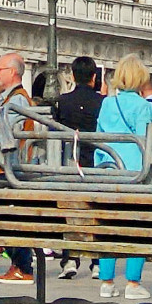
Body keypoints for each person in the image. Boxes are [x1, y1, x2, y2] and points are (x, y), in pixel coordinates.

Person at [95, 56, 152, 301]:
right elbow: (146, 141)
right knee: (134, 226)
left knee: (108, 226)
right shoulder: (143, 107)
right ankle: (132, 282)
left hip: (108, 169)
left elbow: (98, 135)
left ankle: (106, 281)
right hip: (134, 171)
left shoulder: (107, 104)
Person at [50, 56, 104, 276]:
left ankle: (70, 259)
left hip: (70, 160)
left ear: (72, 76)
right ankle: (97, 262)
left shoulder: (63, 101)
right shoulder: (102, 102)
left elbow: (55, 128)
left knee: (70, 211)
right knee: (96, 211)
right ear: (94, 77)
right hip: (96, 160)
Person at [0, 51, 36, 283]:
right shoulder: (7, 97)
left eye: (0, 69)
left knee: (14, 214)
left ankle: (22, 266)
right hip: (4, 166)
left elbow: (11, 132)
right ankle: (18, 264)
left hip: (12, 166)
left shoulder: (16, 98)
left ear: (13, 72)